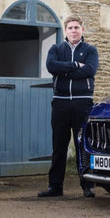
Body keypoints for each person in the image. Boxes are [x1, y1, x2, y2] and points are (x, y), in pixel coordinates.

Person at [39, 15, 99, 198]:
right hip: (61, 103)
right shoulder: (56, 49)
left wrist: (64, 71)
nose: (73, 31)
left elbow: (90, 70)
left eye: (76, 28)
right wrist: (74, 65)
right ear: (65, 31)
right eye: (70, 28)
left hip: (83, 103)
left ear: (82, 30)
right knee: (59, 146)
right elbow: (51, 65)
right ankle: (55, 186)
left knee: (83, 145)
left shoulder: (90, 50)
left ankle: (87, 185)